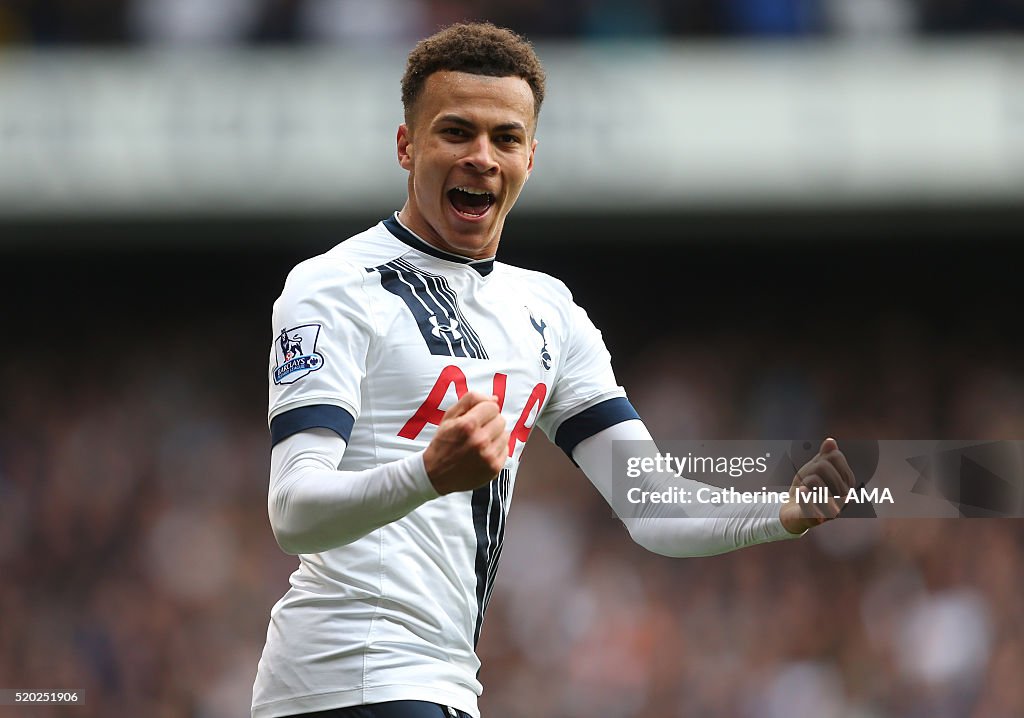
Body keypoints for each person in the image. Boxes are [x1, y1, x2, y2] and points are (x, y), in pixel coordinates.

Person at [252, 22, 855, 718]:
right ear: (405, 145)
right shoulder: (334, 285)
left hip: (443, 685)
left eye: (504, 138)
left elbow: (648, 501)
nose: (481, 156)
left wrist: (778, 512)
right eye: (456, 132)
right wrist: (426, 475)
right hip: (348, 678)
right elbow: (293, 511)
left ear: (530, 158)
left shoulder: (547, 311)